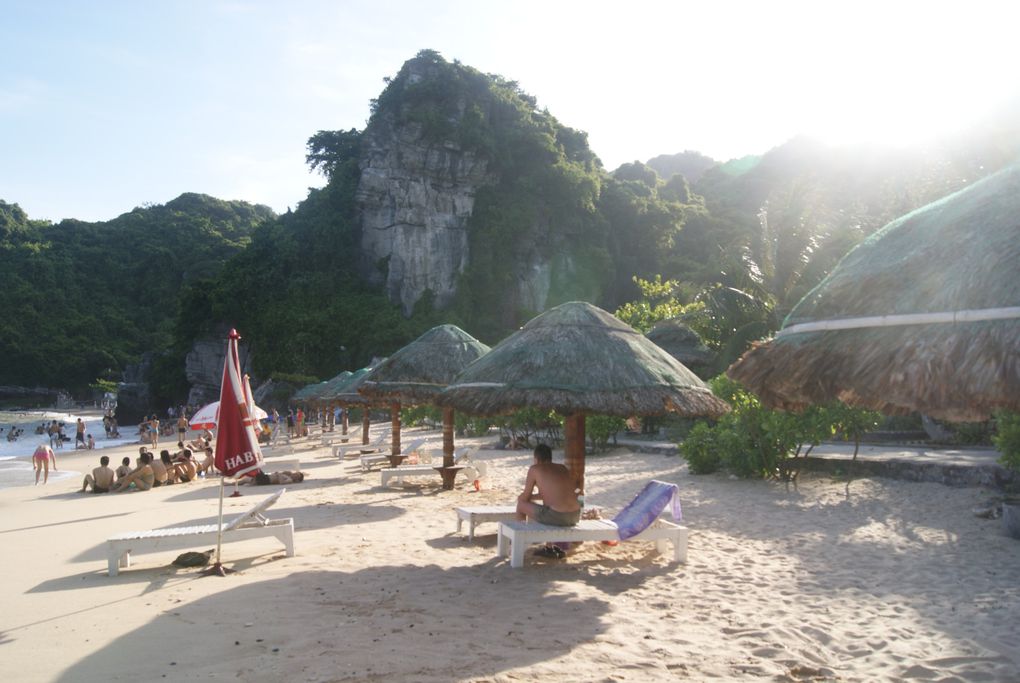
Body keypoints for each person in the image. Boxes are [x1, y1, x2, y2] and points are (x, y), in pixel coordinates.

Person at [516, 443, 581, 527]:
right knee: (536, 507)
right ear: (550, 458)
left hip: (557, 515)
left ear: (536, 459)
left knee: (521, 505)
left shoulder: (535, 469)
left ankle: (522, 535)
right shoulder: (562, 468)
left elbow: (525, 497)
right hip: (575, 515)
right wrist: (532, 497)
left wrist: (521, 497)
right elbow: (555, 494)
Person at [239, 470, 305, 486]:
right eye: (296, 473)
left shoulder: (290, 480)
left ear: (296, 480)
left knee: (256, 468)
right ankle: (229, 484)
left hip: (266, 480)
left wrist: (279, 475)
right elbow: (279, 474)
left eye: (296, 475)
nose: (295, 474)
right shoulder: (288, 474)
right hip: (266, 477)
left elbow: (282, 483)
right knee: (245, 480)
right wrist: (282, 473)